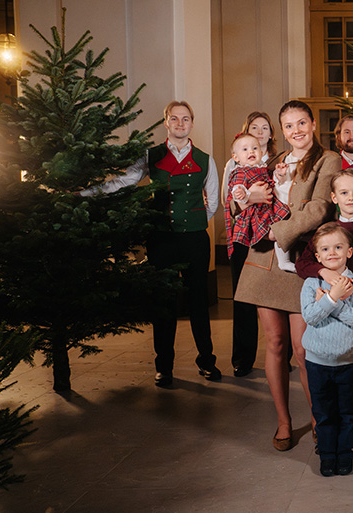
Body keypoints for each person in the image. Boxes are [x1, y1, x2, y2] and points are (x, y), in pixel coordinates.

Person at [81, 101, 220, 387]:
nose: (180, 123)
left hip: (195, 239)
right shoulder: (151, 156)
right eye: (174, 119)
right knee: (163, 303)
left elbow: (214, 202)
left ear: (192, 123)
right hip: (162, 239)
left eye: (185, 119)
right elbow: (124, 182)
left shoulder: (206, 159)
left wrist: (192, 222)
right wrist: (87, 193)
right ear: (166, 123)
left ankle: (206, 361)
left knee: (198, 302)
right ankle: (164, 366)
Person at [234, 99, 339, 451]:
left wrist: (277, 232)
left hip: (298, 260)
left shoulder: (329, 160)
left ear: (313, 124)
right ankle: (283, 421)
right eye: (289, 126)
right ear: (283, 131)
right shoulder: (274, 162)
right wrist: (248, 197)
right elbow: (242, 197)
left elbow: (320, 208)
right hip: (263, 262)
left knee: (302, 347)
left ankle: (318, 418)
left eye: (302, 123)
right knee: (275, 343)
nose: (296, 131)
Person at [300, 222, 353, 477]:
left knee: (348, 412)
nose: (333, 253)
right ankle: (327, 456)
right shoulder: (310, 283)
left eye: (338, 247)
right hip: (317, 361)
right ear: (317, 256)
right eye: (326, 249)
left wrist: (335, 301)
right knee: (323, 412)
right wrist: (332, 298)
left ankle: (344, 455)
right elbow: (310, 316)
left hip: (347, 362)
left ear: (349, 252)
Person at [221, 111, 280, 376]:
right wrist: (249, 197)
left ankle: (282, 354)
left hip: (272, 233)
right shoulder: (234, 165)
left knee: (277, 296)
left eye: (264, 128)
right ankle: (243, 358)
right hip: (244, 235)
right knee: (243, 297)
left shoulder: (280, 162)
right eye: (253, 127)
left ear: (270, 134)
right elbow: (229, 203)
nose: (259, 131)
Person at [295, 169, 353, 327]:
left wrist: (351, 285)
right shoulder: (326, 231)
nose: (351, 198)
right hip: (326, 304)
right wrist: (324, 272)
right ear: (334, 197)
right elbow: (302, 264)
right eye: (344, 193)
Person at [225, 134, 292, 267]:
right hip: (253, 212)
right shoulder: (239, 172)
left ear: (261, 153)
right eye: (245, 149)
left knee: (282, 229)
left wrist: (279, 175)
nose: (251, 151)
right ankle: (283, 260)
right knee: (276, 233)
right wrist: (243, 194)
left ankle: (284, 260)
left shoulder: (263, 169)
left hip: (268, 207)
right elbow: (237, 189)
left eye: (255, 148)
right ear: (235, 157)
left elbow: (272, 183)